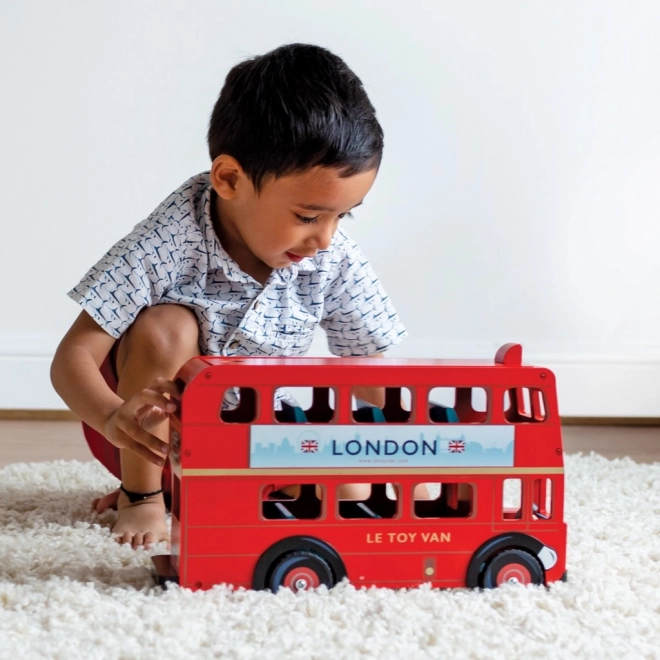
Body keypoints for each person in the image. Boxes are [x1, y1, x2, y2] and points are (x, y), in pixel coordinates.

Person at [50, 43, 407, 549]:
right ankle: (143, 496)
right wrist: (111, 417)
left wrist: (409, 449)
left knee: (356, 493)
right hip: (143, 435)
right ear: (230, 179)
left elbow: (369, 368)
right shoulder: (167, 240)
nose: (325, 238)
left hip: (254, 438)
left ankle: (211, 493)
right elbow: (74, 357)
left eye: (342, 216)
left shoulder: (332, 255)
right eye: (308, 216)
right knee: (167, 326)